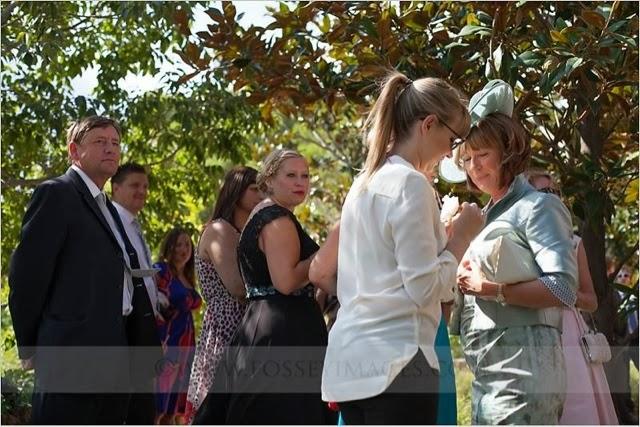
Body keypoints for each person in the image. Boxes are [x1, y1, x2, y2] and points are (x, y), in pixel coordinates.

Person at [320, 71, 484, 425]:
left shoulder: (364, 182)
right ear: (428, 125)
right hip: (398, 361)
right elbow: (423, 286)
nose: (451, 153)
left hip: (352, 362)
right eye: (453, 140)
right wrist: (460, 238)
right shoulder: (410, 183)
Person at [8, 116, 160, 424]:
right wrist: (31, 345)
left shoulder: (106, 206)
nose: (111, 149)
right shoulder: (56, 194)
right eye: (100, 142)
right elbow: (27, 276)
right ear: (75, 151)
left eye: (116, 143)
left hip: (115, 356)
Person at [453, 80, 578, 424]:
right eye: (466, 158)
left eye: (483, 155)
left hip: (524, 378)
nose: (474, 167)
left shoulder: (538, 207)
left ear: (508, 151)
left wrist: (492, 290)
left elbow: (564, 289)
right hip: (488, 378)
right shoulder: (485, 216)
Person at [193, 149, 333, 425]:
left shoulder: (264, 214)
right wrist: (326, 253)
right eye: (291, 175)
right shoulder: (276, 218)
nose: (300, 182)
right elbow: (286, 281)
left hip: (267, 324)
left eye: (305, 176)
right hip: (283, 330)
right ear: (269, 180)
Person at [526, 168, 618, 424]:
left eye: (555, 191)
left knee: (577, 409)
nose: (552, 197)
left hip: (570, 338)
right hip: (529, 332)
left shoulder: (573, 242)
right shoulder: (515, 242)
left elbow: (591, 300)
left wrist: (560, 291)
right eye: (544, 191)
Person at [185, 166, 262, 422]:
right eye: (254, 188)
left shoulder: (250, 232)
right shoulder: (220, 230)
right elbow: (238, 287)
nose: (261, 194)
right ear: (236, 191)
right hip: (227, 326)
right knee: (221, 410)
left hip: (249, 325)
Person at [111, 162, 161, 424]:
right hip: (126, 328)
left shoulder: (134, 224)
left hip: (146, 325)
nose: (142, 191)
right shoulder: (111, 224)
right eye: (134, 185)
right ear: (115, 187)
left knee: (145, 407)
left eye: (145, 186)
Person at [154, 227, 202, 424]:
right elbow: (155, 302)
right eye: (179, 244)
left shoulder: (189, 278)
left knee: (173, 412)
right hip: (168, 345)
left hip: (186, 347)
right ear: (170, 247)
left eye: (188, 244)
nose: (184, 249)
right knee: (158, 407)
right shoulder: (161, 270)